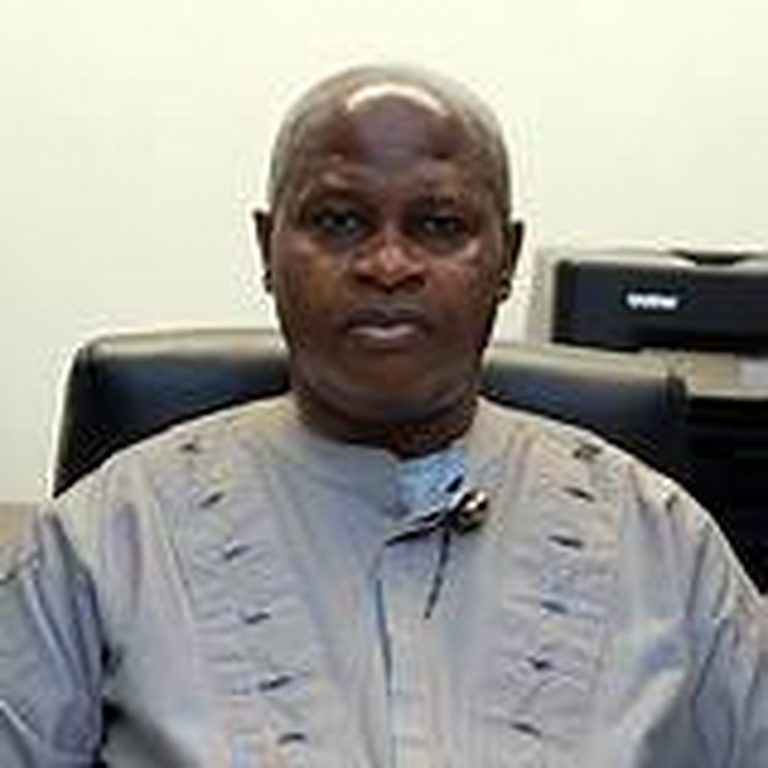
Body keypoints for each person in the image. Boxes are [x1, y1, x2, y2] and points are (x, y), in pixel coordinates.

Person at [1, 64, 766, 767]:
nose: (388, 264)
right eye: (339, 221)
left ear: (506, 257)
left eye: (439, 225)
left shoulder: (663, 542)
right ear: (268, 247)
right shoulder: (105, 539)